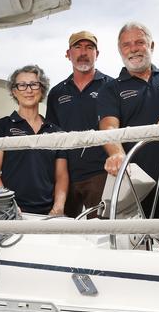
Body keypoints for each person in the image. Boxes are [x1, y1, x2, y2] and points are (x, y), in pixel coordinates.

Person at [97, 22, 159, 253]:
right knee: (133, 250)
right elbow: (109, 126)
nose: (134, 48)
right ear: (120, 50)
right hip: (135, 184)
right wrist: (117, 154)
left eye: (139, 42)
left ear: (151, 45)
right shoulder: (111, 89)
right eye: (126, 44)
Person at [0, 65, 69, 216]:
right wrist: (8, 205)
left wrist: (58, 207)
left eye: (34, 84)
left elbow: (61, 175)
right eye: (22, 85)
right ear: (14, 91)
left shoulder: (56, 132)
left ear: (42, 89)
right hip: (12, 210)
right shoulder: (2, 126)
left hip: (47, 213)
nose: (28, 90)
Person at [46, 31, 113, 218]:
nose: (83, 52)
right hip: (64, 176)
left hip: (102, 173)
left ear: (97, 54)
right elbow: (52, 135)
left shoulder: (111, 86)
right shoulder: (57, 93)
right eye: (78, 47)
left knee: (102, 235)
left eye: (89, 47)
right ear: (68, 54)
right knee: (61, 235)